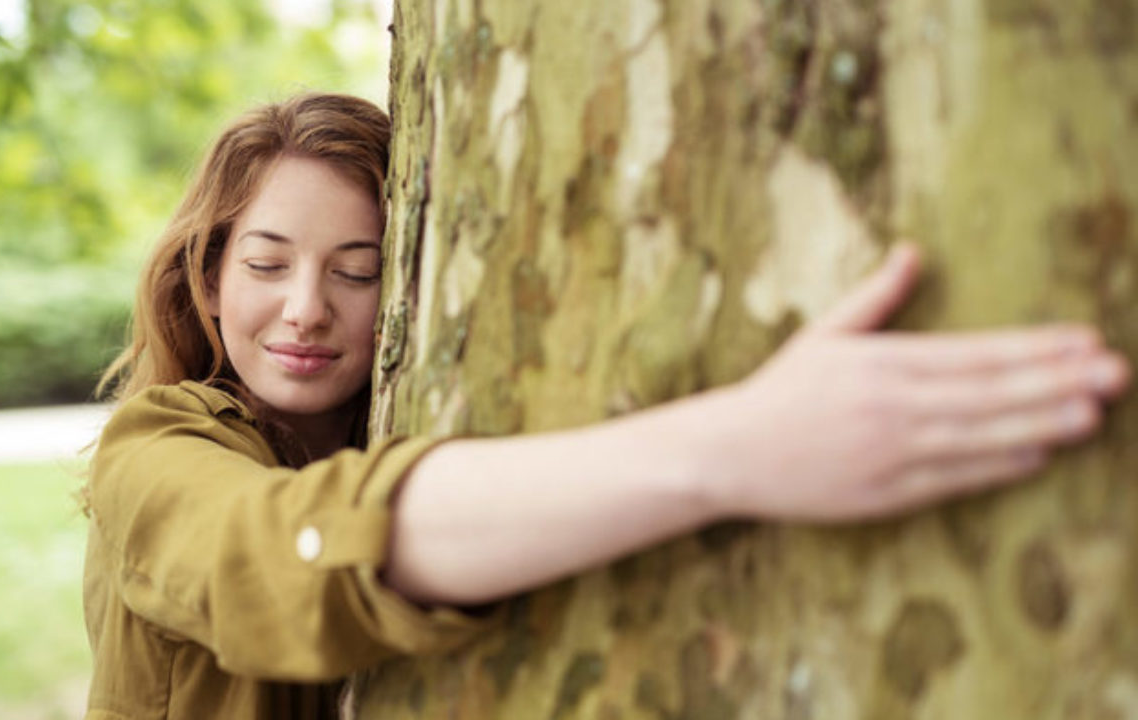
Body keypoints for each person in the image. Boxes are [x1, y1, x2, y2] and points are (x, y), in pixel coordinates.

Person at [81, 93, 1129, 719]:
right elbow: (270, 554)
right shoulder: (151, 447)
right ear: (206, 276)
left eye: (357, 270)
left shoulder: (419, 416)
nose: (305, 310)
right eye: (267, 263)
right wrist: (739, 447)